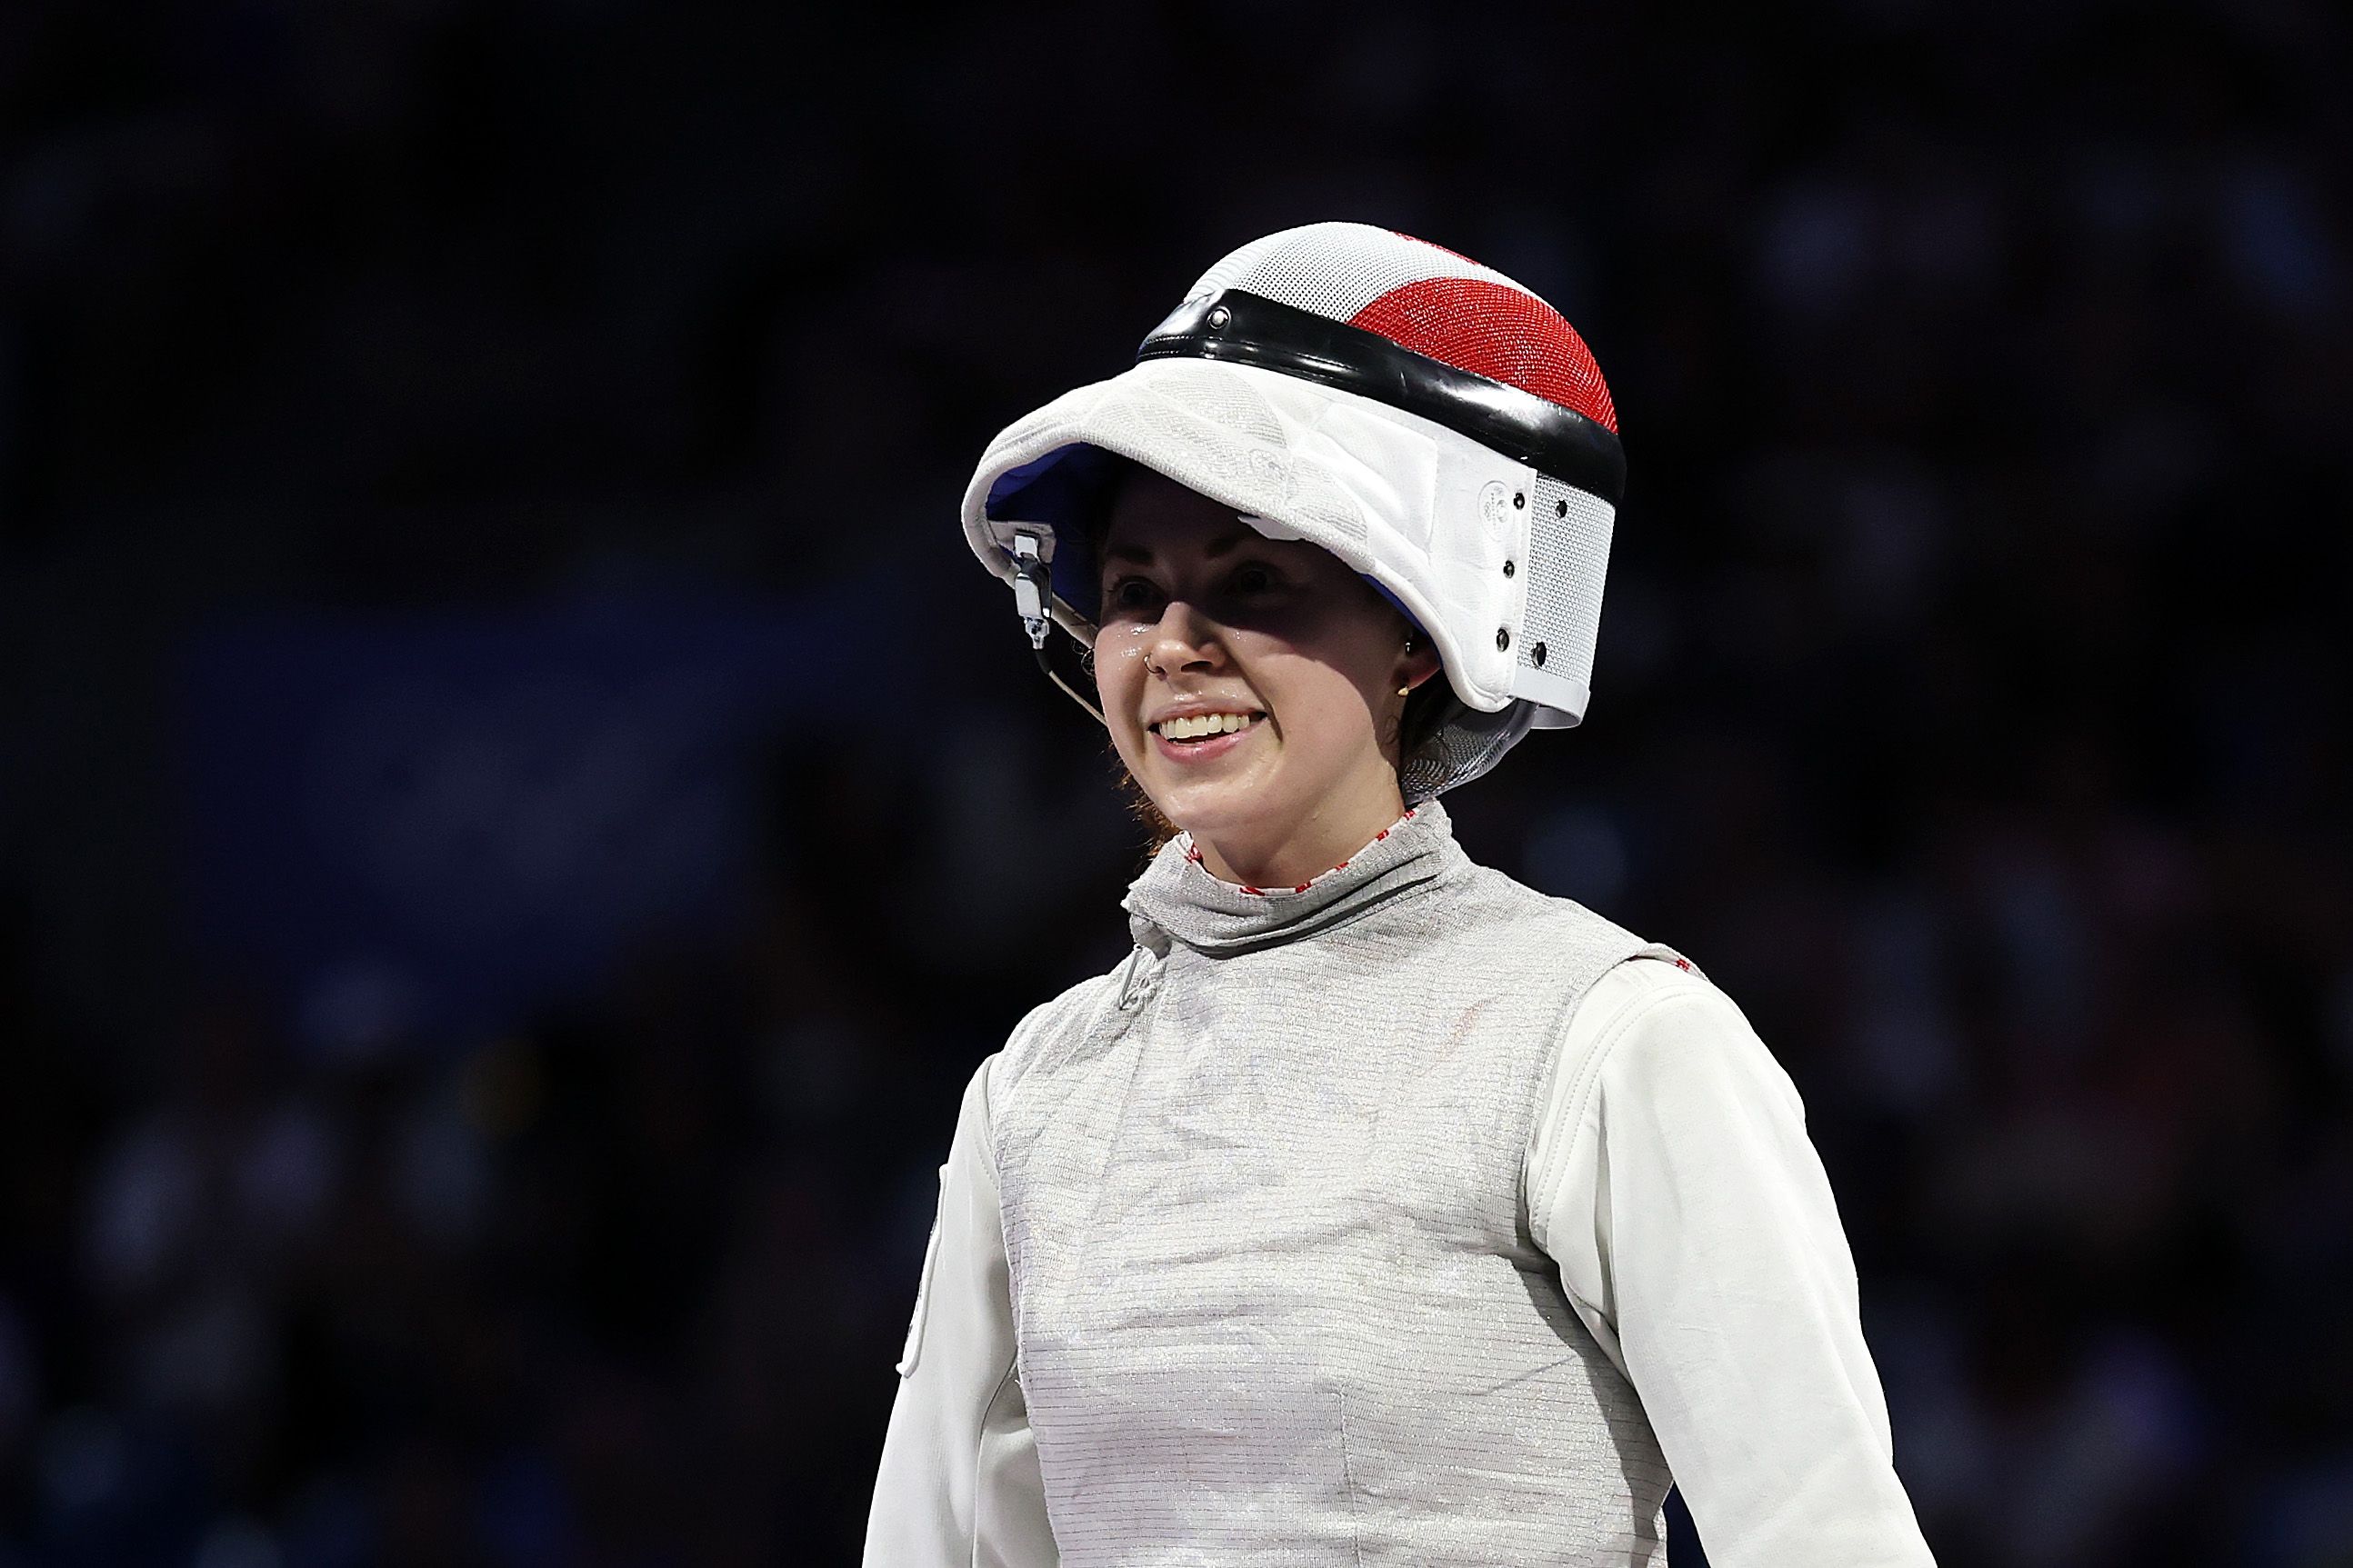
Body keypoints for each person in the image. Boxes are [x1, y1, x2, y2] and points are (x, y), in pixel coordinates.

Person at [864, 223, 1937, 1567]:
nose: (1176, 647)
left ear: (1418, 638)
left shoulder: (1604, 1039)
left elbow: (1822, 1538)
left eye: (1255, 582)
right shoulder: (1035, 1095)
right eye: (1137, 591)